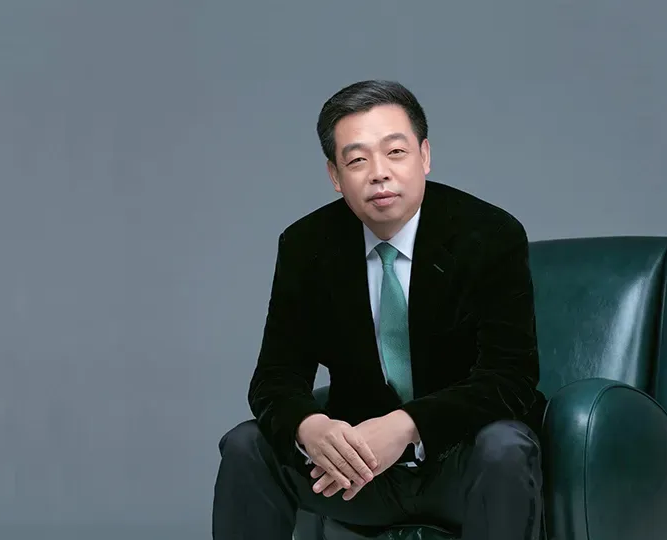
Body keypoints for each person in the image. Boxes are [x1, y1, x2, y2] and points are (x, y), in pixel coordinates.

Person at [212, 79, 546, 540]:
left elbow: (511, 377)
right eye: (357, 160)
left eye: (396, 152)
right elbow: (275, 377)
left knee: (505, 444)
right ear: (335, 176)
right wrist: (311, 427)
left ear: (424, 156)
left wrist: (406, 427)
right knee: (247, 444)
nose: (379, 173)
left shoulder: (490, 234)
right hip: (358, 475)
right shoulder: (306, 246)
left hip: (463, 465)